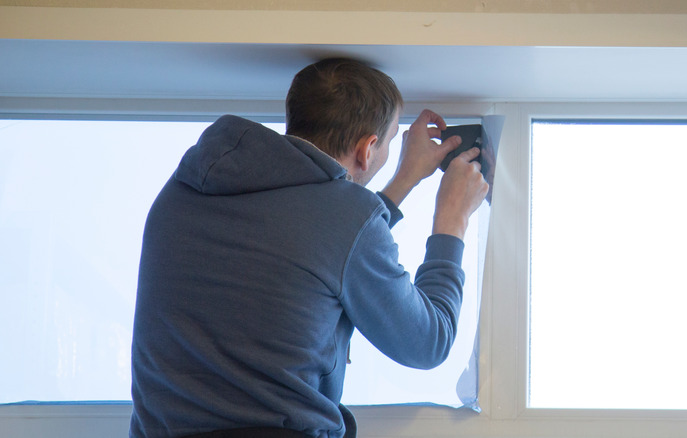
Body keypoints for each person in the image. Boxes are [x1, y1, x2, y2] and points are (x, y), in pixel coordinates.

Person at [129, 57, 488, 438]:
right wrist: (453, 221)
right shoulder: (348, 217)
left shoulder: (180, 192)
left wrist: (402, 181)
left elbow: (315, 237)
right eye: (385, 147)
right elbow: (427, 342)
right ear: (367, 149)